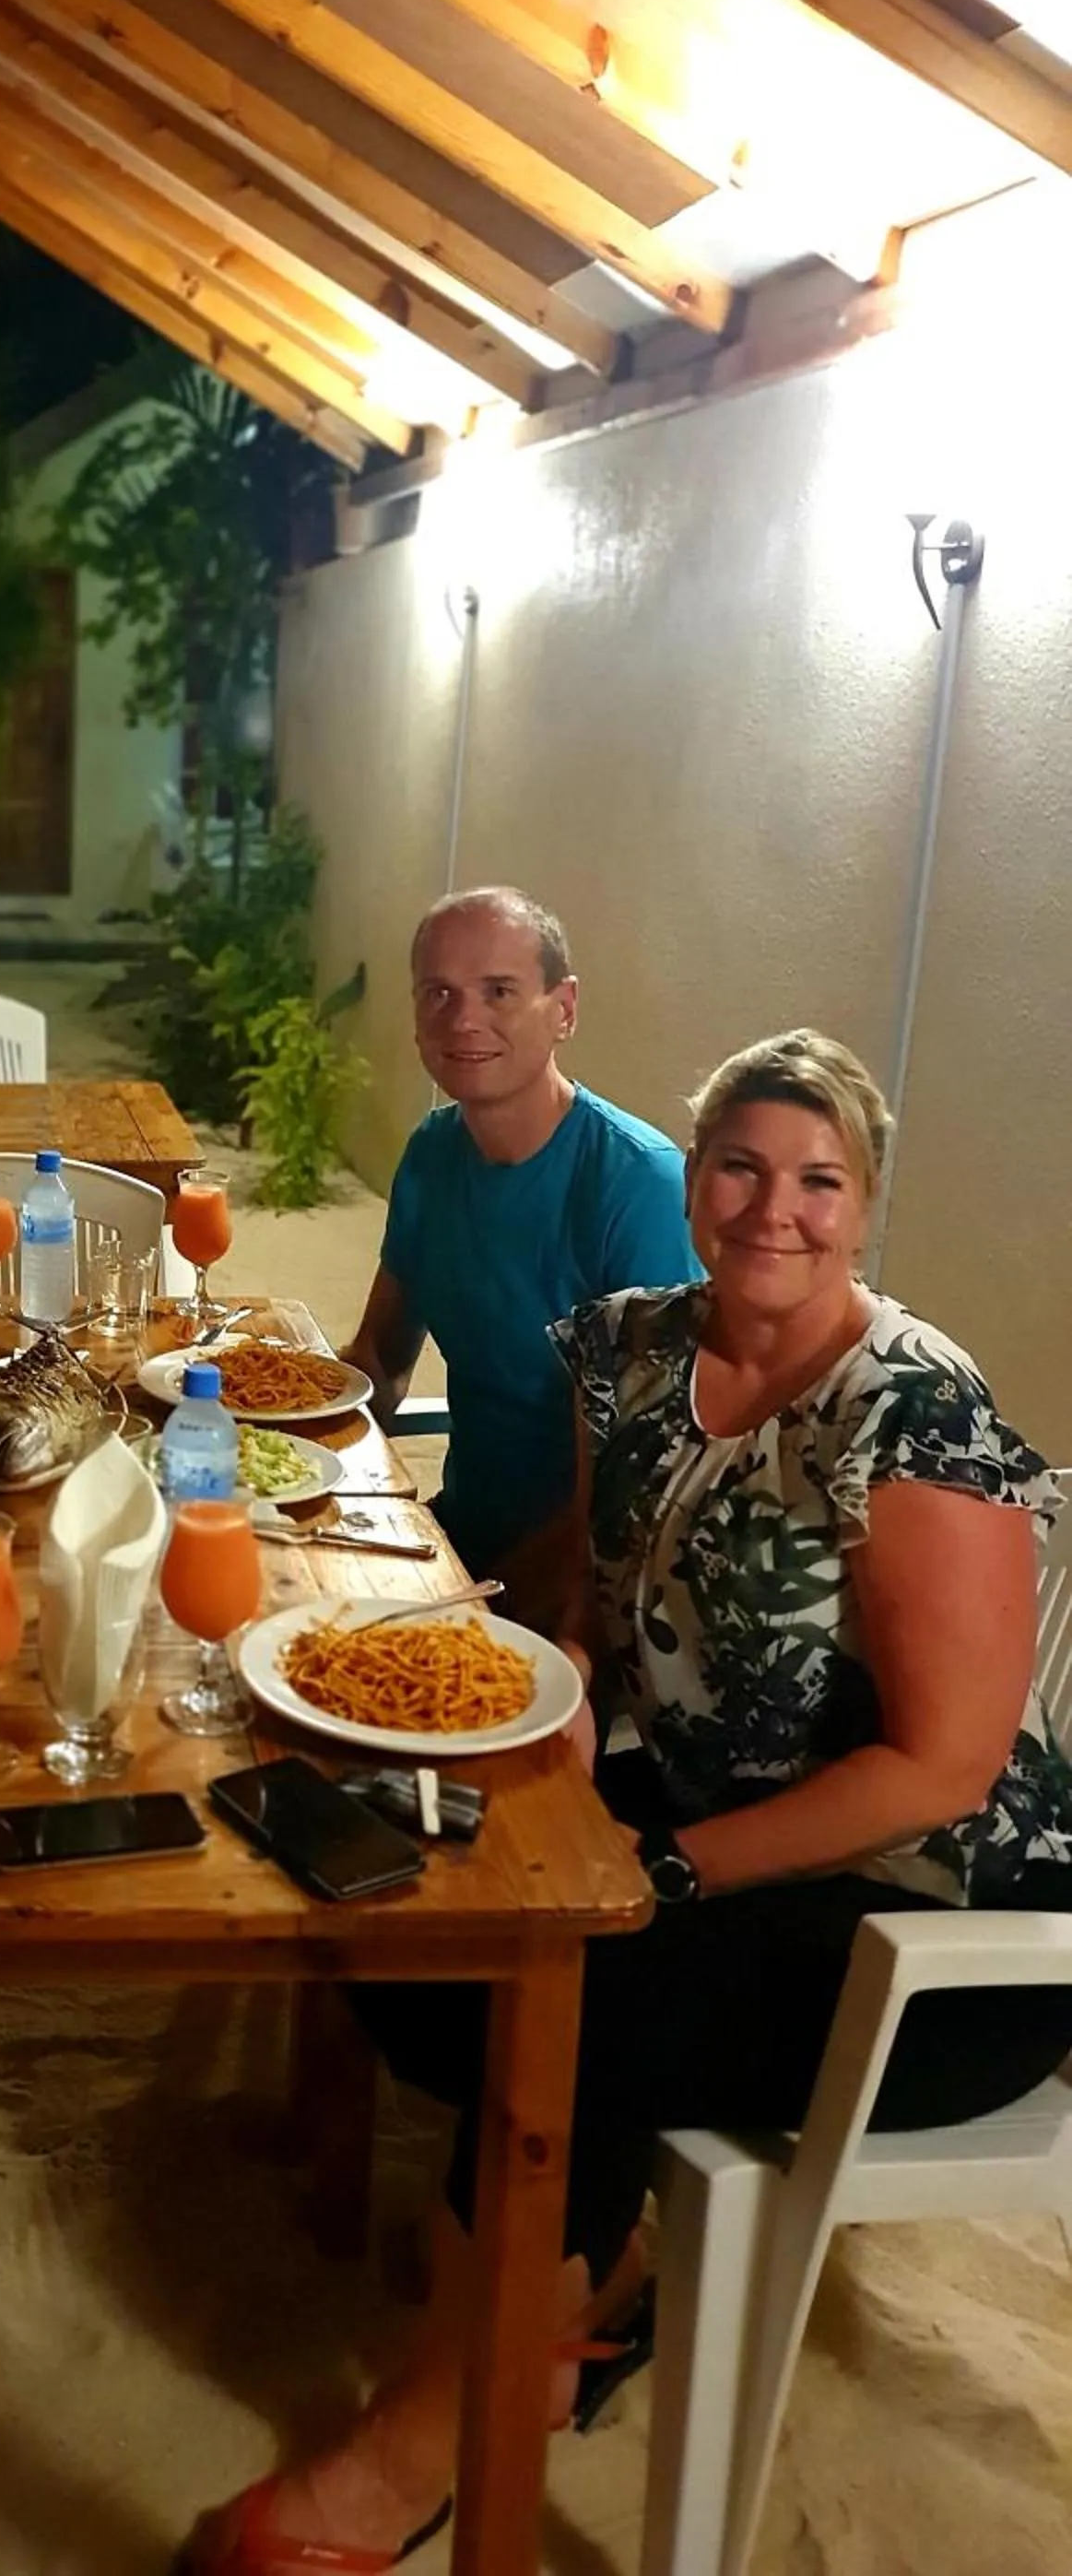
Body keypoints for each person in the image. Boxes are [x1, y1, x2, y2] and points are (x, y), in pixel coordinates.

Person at [190, 1026, 1072, 2573]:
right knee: (384, 1901)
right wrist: (475, 1657)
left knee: (573, 1993)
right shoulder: (635, 1343)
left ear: (864, 1206)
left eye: (819, 1178)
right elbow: (586, 1587)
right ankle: (568, 2280)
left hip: (936, 1920)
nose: (772, 1208)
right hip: (708, 1811)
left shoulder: (911, 1411)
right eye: (740, 1164)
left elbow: (944, 1768)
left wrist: (664, 1866)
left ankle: (426, 2441)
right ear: (696, 1176)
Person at [342, 887, 697, 1582]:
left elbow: (650, 1483)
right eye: (438, 994)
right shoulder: (432, 1152)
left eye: (499, 991)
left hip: (584, 1585)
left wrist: (480, 1602)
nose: (464, 1020)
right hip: (456, 1534)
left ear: (563, 1009)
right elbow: (380, 1364)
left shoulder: (637, 1183)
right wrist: (270, 1421)